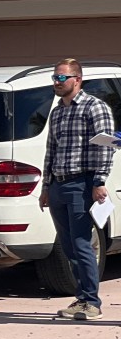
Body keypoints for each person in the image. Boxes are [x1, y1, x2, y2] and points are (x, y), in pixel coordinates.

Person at [39, 58, 114, 320]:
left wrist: (99, 182)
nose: (56, 83)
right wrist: (46, 187)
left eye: (61, 78)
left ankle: (91, 302)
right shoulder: (57, 111)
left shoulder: (95, 107)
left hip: (82, 183)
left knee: (82, 244)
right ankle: (81, 298)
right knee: (68, 246)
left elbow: (104, 146)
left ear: (77, 79)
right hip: (59, 184)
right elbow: (52, 149)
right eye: (55, 78)